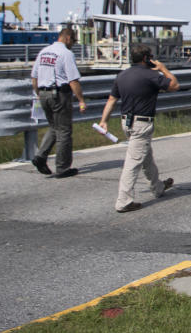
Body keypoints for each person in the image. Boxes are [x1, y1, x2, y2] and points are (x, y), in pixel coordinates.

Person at [98, 44, 180, 213]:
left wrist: (103, 120)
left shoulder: (122, 76)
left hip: (126, 123)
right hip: (141, 124)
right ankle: (124, 201)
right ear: (146, 58)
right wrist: (163, 69)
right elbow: (174, 85)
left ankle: (157, 187)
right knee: (133, 163)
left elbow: (111, 100)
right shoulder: (151, 75)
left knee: (146, 156)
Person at [30, 28, 86, 178]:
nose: (73, 44)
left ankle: (40, 156)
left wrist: (39, 94)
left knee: (54, 127)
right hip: (59, 95)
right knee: (64, 131)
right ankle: (62, 168)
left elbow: (34, 77)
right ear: (68, 38)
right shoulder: (66, 54)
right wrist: (81, 99)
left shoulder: (44, 52)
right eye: (73, 41)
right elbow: (73, 80)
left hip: (43, 93)